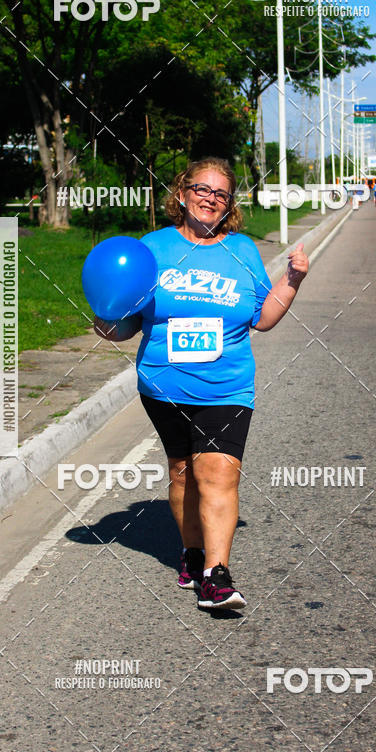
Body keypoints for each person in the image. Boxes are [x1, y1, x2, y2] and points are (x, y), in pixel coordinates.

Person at [94, 157, 309, 611]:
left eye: (220, 193)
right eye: (201, 189)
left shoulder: (243, 251)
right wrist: (105, 317)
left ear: (229, 204)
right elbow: (127, 324)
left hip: (226, 386)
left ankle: (217, 575)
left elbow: (263, 318)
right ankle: (192, 553)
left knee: (217, 472)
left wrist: (292, 281)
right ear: (183, 192)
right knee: (183, 473)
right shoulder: (152, 248)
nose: (210, 198)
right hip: (163, 388)